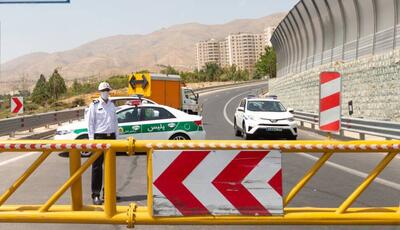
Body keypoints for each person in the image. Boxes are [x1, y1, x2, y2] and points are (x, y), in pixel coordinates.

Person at [87, 82, 119, 205]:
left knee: (111, 167)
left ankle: (109, 193)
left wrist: (117, 137)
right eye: (104, 90)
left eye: (107, 90)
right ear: (100, 92)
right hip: (98, 138)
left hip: (111, 137)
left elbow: (115, 122)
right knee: (97, 168)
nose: (106, 92)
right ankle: (96, 194)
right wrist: (91, 140)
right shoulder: (94, 105)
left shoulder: (112, 105)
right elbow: (90, 123)